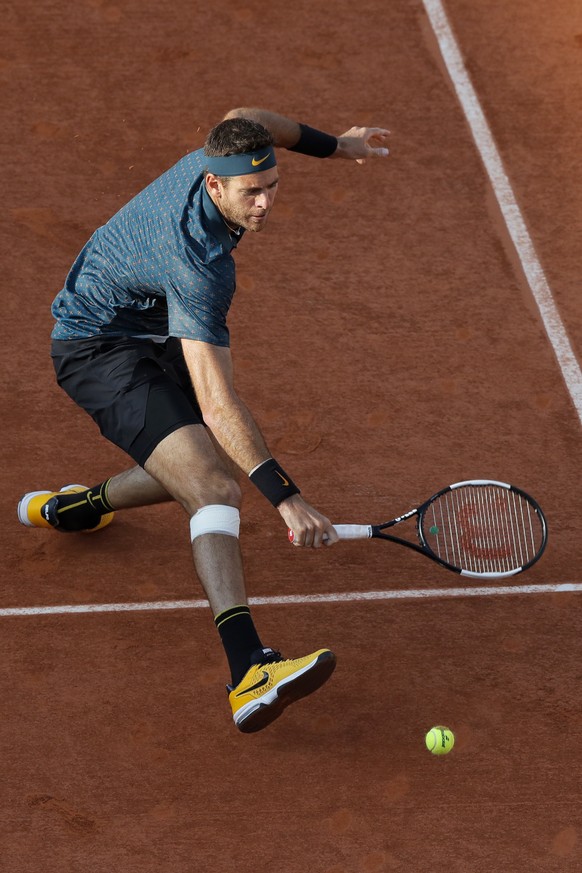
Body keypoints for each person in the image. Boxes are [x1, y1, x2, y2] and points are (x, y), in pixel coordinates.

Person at [18, 109, 390, 733]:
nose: (266, 202)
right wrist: (287, 500)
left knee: (191, 468)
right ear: (215, 186)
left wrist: (336, 147)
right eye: (253, 192)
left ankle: (79, 507)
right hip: (98, 349)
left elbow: (247, 116)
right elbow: (218, 404)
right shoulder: (198, 264)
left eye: (272, 185)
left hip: (150, 323)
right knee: (215, 485)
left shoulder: (220, 152)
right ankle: (249, 671)